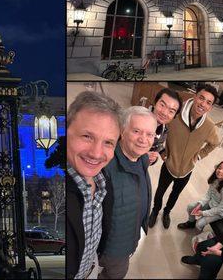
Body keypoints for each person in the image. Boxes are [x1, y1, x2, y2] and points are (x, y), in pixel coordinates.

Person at [149, 84, 221, 230]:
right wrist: (163, 152)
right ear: (195, 97)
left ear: (211, 107)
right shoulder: (175, 114)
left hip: (187, 169)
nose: (203, 104)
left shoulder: (209, 126)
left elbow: (214, 144)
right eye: (201, 98)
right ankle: (155, 211)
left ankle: (167, 212)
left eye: (208, 102)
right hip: (169, 165)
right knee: (160, 191)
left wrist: (199, 156)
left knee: (175, 194)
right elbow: (161, 129)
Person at [97, 107, 158, 279]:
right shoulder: (104, 166)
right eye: (136, 131)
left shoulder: (142, 158)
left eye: (150, 134)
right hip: (113, 248)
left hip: (131, 237)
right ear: (122, 132)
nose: (143, 140)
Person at [67, 91, 122, 279]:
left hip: (91, 270)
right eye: (87, 136)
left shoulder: (104, 180)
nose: (96, 153)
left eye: (108, 142)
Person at [178, 161, 223, 232]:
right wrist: (200, 204)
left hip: (220, 211)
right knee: (190, 207)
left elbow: (222, 208)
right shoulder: (215, 180)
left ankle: (199, 237)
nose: (220, 171)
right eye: (219, 168)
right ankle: (191, 223)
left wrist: (203, 213)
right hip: (212, 203)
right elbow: (208, 194)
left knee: (199, 224)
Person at [147, 88, 183, 165]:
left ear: (174, 116)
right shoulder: (135, 118)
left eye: (171, 111)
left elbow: (156, 149)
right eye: (162, 105)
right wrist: (142, 157)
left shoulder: (164, 130)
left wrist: (153, 159)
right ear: (155, 102)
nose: (164, 113)